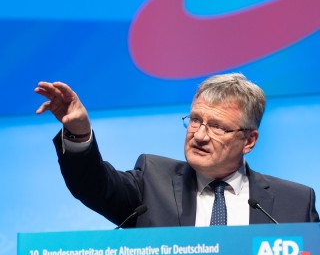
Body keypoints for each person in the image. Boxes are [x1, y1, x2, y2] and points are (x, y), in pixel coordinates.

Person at [34, 72, 319, 228]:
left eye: (218, 127)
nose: (200, 135)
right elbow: (93, 185)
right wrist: (79, 132)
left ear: (249, 140)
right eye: (195, 120)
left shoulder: (294, 204)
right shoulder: (151, 180)